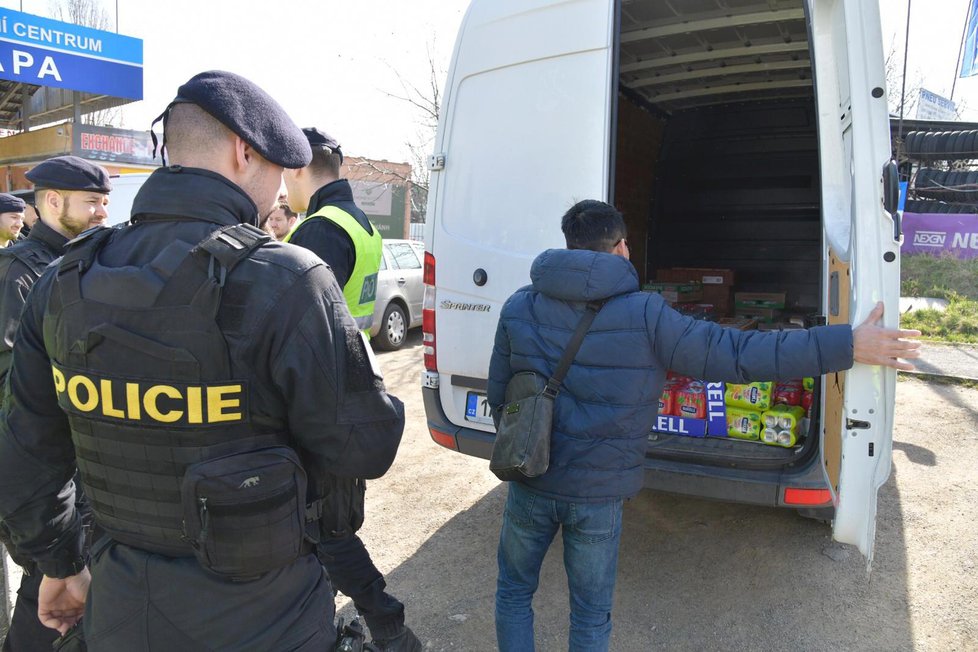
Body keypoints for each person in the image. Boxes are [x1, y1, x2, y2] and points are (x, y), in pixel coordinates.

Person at [0, 70, 406, 651]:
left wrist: (60, 564)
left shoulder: (65, 278)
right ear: (245, 153)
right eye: (276, 170)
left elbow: (25, 460)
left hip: (121, 611)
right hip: (269, 619)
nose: (278, 191)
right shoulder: (287, 279)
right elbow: (366, 447)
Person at [487, 199, 922, 652]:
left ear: (570, 245)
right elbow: (739, 354)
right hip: (597, 494)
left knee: (514, 593)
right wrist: (847, 344)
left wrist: (528, 447)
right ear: (621, 249)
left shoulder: (520, 306)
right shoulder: (645, 314)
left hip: (530, 479)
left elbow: (501, 394)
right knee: (591, 616)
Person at [282, 127, 418, 651]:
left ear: (298, 168)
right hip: (349, 384)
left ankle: (390, 628)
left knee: (327, 530)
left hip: (324, 396)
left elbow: (302, 323)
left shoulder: (319, 229)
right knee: (327, 528)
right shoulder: (356, 219)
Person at [0, 160, 111, 652]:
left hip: (77, 463)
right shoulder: (18, 272)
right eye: (91, 202)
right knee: (48, 596)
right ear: (51, 202)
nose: (101, 212)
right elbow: (14, 391)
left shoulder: (80, 264)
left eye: (104, 202)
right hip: (39, 472)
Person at [283, 127, 383, 330]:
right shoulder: (362, 225)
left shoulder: (320, 229)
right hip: (353, 355)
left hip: (328, 360)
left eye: (284, 170)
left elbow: (306, 328)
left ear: (297, 168)